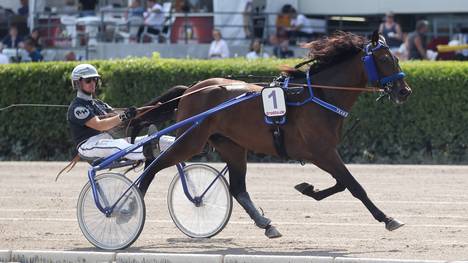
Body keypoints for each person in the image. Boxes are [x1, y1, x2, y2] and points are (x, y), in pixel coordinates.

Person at [67, 64, 174, 161]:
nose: (93, 83)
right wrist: (124, 116)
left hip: (109, 140)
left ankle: (182, 144)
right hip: (89, 145)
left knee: (158, 138)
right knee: (119, 144)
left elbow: (115, 114)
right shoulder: (77, 108)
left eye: (95, 79)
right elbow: (100, 125)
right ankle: (148, 151)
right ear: (77, 82)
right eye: (88, 80)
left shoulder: (98, 103)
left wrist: (147, 109)